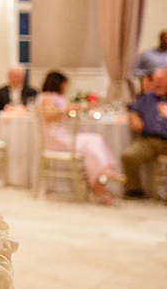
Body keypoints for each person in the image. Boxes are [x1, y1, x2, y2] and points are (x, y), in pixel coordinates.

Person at [36, 70, 123, 205]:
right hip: (55, 139)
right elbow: (48, 115)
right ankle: (102, 177)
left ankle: (100, 183)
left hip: (64, 137)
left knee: (92, 145)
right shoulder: (46, 97)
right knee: (93, 140)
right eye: (65, 84)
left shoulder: (59, 98)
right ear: (59, 83)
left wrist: (81, 107)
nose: (66, 87)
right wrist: (69, 109)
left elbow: (66, 113)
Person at [121, 67, 167, 198]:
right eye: (155, 79)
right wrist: (134, 118)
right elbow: (133, 111)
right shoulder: (146, 97)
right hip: (149, 140)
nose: (157, 83)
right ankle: (134, 190)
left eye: (161, 79)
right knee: (128, 156)